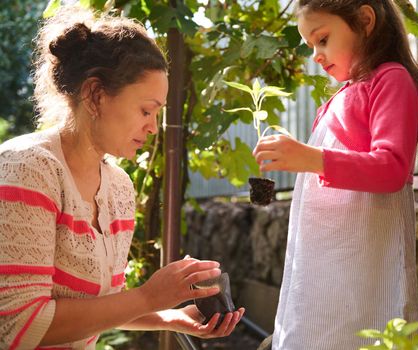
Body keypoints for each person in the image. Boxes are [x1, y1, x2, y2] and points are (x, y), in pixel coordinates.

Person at [0, 6, 244, 349]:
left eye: (157, 113)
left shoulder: (118, 188)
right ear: (96, 94)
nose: (152, 126)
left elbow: (99, 308)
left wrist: (169, 317)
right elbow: (18, 325)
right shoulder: (27, 169)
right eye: (146, 110)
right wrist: (148, 297)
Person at [253, 0, 418, 349]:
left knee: (363, 330)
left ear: (365, 21)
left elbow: (391, 169)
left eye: (322, 39)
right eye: (310, 47)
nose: (316, 56)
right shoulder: (343, 95)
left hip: (364, 260)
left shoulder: (390, 80)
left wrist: (310, 158)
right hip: (324, 261)